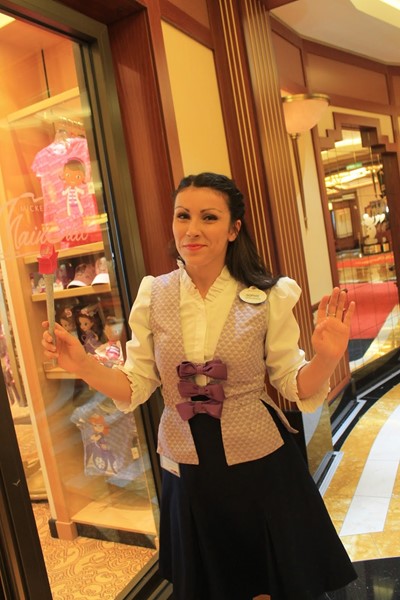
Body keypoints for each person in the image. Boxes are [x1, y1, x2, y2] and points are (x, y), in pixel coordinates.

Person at [42, 172, 357, 600]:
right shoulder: (154, 294)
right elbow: (135, 385)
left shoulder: (268, 295)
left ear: (233, 229)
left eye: (209, 217)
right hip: (186, 464)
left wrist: (327, 358)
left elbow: (293, 385)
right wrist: (82, 365)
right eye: (182, 216)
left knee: (267, 583)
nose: (192, 229)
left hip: (259, 462)